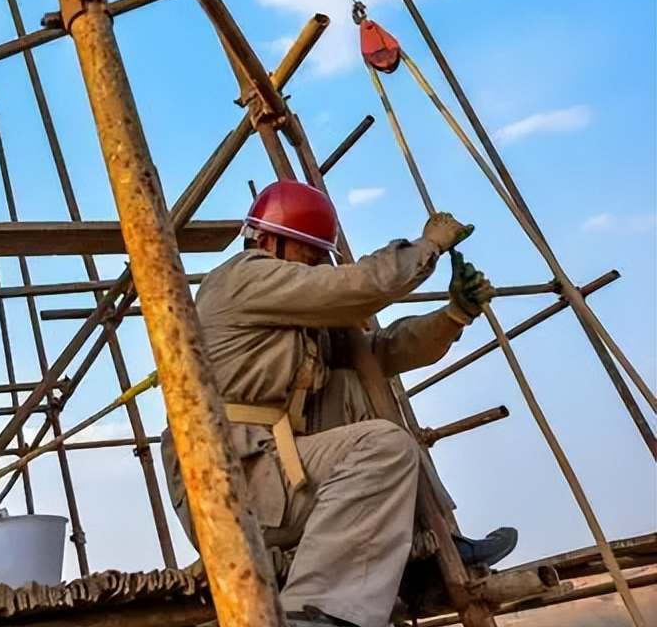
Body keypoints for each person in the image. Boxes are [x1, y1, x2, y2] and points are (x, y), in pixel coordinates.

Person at [161, 181, 517, 627]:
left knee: (357, 384)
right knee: (382, 446)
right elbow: (358, 287)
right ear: (268, 240)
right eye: (309, 254)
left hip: (275, 474)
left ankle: (427, 548)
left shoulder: (297, 318)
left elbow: (379, 353)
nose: (316, 266)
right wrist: (427, 248)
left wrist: (452, 317)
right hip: (231, 479)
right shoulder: (244, 276)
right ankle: (313, 609)